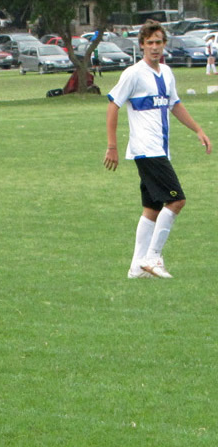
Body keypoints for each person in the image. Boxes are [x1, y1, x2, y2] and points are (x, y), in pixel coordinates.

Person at [104, 20, 212, 279]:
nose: (154, 47)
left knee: (152, 208)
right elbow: (113, 105)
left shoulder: (166, 73)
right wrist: (112, 146)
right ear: (141, 45)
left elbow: (174, 105)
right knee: (177, 200)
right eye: (149, 42)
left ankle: (136, 268)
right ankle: (152, 258)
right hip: (146, 149)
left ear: (164, 44)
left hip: (160, 149)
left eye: (158, 42)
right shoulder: (133, 73)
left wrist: (197, 129)